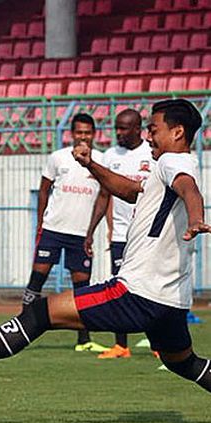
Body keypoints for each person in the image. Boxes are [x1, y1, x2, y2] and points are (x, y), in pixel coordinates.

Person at [0, 99, 211, 398]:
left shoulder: (174, 163)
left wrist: (197, 217)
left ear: (178, 132)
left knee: (39, 313)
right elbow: (131, 190)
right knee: (183, 362)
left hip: (137, 293)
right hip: (171, 300)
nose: (148, 136)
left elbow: (188, 188)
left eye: (153, 129)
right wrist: (91, 164)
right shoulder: (173, 165)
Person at [23, 113, 109, 353]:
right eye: (79, 132)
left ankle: (84, 340)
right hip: (53, 229)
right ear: (71, 134)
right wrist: (41, 223)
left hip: (81, 234)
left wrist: (93, 231)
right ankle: (18, 329)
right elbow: (43, 191)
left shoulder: (100, 160)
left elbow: (105, 197)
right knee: (37, 279)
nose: (83, 136)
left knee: (82, 288)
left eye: (87, 132)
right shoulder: (57, 158)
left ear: (94, 134)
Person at [84, 109, 154, 359]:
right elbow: (104, 195)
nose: (120, 133)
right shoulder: (112, 155)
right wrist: (90, 232)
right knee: (119, 286)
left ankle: (157, 344)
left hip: (148, 234)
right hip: (121, 235)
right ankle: (121, 346)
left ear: (138, 129)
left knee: (151, 286)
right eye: (117, 128)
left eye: (124, 128)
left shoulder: (152, 153)